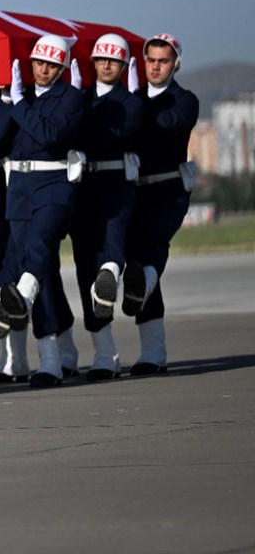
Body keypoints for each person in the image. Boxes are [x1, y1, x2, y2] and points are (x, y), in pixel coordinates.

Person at [0, 35, 86, 387]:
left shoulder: (70, 97)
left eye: (52, 65)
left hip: (54, 187)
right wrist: (6, 101)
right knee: (42, 269)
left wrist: (19, 105)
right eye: (39, 63)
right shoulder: (19, 96)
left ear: (61, 67)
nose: (43, 70)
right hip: (20, 191)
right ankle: (55, 359)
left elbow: (50, 135)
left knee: (38, 252)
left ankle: (22, 302)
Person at [122, 33, 199, 376]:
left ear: (175, 64)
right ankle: (153, 353)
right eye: (150, 60)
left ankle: (154, 350)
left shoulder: (185, 99)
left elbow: (170, 124)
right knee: (138, 262)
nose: (155, 66)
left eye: (163, 60)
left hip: (170, 188)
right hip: (136, 191)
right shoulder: (133, 97)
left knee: (152, 251)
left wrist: (133, 109)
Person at [66, 34, 143, 381]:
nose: (106, 64)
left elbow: (117, 135)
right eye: (101, 59)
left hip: (116, 184)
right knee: (86, 269)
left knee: (112, 249)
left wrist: (81, 118)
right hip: (83, 189)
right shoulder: (79, 99)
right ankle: (105, 353)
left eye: (113, 60)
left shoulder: (132, 102)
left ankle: (110, 274)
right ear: (93, 63)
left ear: (124, 65)